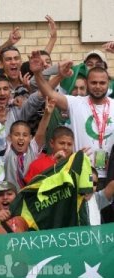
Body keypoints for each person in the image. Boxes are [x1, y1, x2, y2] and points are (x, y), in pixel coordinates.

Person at [30, 50, 114, 188]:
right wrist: (38, 73)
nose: (98, 86)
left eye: (102, 83)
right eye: (93, 83)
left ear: (108, 83)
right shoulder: (76, 103)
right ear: (87, 83)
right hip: (80, 173)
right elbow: (49, 92)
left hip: (110, 176)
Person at [4, 97, 55, 192]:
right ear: (10, 137)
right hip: (11, 197)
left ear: (30, 138)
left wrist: (47, 114)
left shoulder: (33, 149)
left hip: (30, 197)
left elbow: (40, 133)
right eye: (16, 134)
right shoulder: (5, 151)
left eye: (25, 135)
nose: (21, 138)